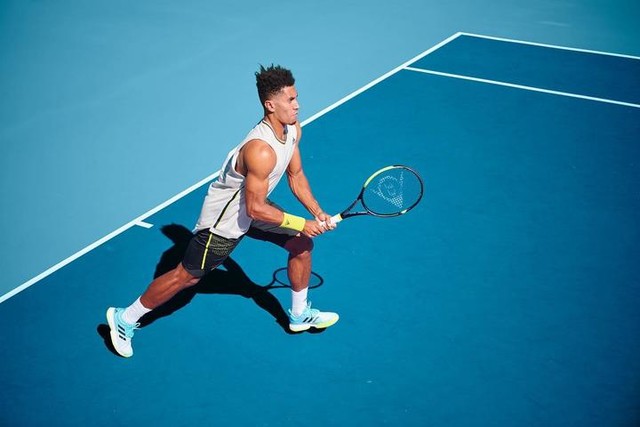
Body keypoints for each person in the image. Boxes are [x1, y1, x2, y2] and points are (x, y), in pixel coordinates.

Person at [106, 65, 338, 358]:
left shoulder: (292, 129)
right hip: (224, 222)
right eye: (290, 100)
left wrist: (317, 212)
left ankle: (299, 314)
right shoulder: (260, 150)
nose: (297, 105)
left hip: (255, 208)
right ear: (270, 105)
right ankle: (125, 318)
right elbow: (254, 208)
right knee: (186, 277)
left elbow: (296, 174)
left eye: (296, 98)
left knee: (301, 245)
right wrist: (301, 222)